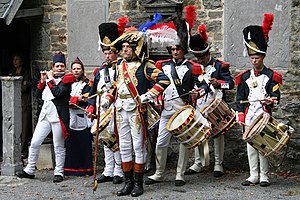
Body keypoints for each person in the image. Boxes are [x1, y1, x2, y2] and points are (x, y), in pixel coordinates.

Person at [101, 29, 170, 197]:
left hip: (136, 109)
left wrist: (148, 95)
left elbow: (164, 80)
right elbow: (117, 86)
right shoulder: (119, 65)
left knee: (138, 146)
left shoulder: (146, 65)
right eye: (123, 47)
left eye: (128, 47)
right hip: (120, 108)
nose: (124, 50)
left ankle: (138, 183)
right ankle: (128, 182)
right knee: (124, 146)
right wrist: (108, 98)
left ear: (136, 49)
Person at [145, 18, 206, 187]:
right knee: (160, 142)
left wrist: (196, 93)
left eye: (177, 49)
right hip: (166, 110)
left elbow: (203, 85)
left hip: (183, 110)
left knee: (184, 143)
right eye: (172, 49)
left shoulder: (193, 67)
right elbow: (154, 85)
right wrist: (156, 98)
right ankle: (159, 173)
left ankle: (180, 174)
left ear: (183, 49)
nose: (174, 52)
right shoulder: (161, 65)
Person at [182, 24, 234, 178]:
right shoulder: (194, 67)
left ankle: (218, 164)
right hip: (199, 105)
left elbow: (230, 84)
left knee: (218, 134)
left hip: (216, 105)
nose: (200, 60)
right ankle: (200, 162)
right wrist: (192, 94)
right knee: (199, 134)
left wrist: (219, 83)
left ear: (208, 53)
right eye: (197, 58)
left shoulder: (219, 66)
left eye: (202, 57)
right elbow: (190, 86)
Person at [236, 14, 282, 187]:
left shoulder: (272, 76)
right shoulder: (244, 77)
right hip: (249, 116)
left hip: (263, 115)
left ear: (263, 57)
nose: (254, 61)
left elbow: (276, 95)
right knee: (251, 147)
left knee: (263, 146)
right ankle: (253, 175)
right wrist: (240, 115)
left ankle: (264, 176)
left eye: (257, 58)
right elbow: (240, 98)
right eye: (252, 58)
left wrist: (272, 100)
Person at [16, 52, 75, 183]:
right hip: (45, 116)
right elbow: (38, 94)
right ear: (53, 67)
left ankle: (59, 172)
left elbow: (58, 93)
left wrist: (49, 79)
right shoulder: (50, 80)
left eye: (62, 66)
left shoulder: (67, 80)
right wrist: (42, 81)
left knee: (58, 146)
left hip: (58, 117)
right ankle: (30, 169)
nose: (59, 68)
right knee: (35, 142)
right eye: (57, 66)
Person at [86, 22, 125, 184]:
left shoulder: (122, 68)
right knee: (105, 139)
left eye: (110, 52)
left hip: (117, 108)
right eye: (105, 53)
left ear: (116, 53)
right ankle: (108, 169)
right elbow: (93, 92)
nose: (108, 56)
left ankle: (119, 170)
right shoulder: (100, 71)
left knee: (117, 139)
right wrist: (90, 106)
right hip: (102, 109)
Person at [64, 57, 93, 176]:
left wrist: (77, 100)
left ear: (82, 70)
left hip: (82, 116)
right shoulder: (66, 84)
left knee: (83, 143)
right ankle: (71, 168)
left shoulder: (88, 84)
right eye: (74, 69)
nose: (76, 71)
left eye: (78, 68)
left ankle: (85, 168)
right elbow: (63, 98)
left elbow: (86, 98)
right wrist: (75, 99)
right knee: (71, 144)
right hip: (70, 115)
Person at [9, 53, 32, 161]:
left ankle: (23, 151)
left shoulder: (26, 72)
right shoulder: (11, 72)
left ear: (21, 61)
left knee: (24, 127)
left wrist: (21, 85)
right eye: (14, 59)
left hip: (24, 102)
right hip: (14, 102)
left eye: (17, 59)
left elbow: (25, 88)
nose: (15, 61)